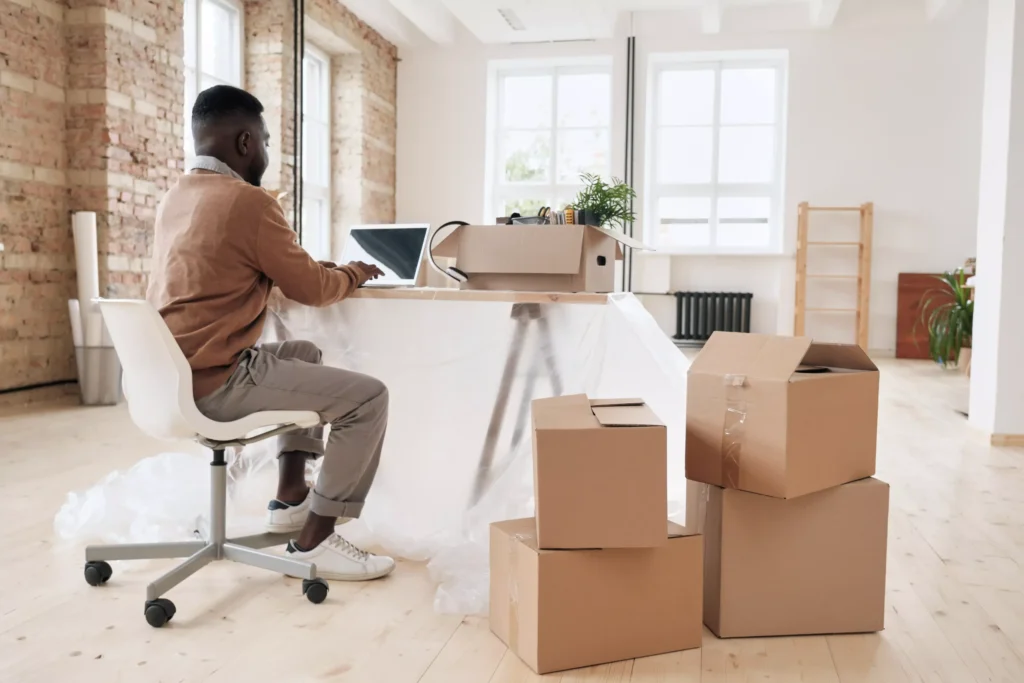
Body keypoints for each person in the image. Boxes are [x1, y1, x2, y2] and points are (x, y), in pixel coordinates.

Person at [147, 84, 395, 581]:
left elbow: (233, 266)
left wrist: (306, 268)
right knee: (368, 399)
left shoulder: (175, 196)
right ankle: (315, 542)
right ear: (244, 143)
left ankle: (290, 497)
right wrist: (355, 273)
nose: (265, 151)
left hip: (166, 378)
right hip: (217, 383)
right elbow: (314, 289)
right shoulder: (249, 202)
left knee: (302, 350)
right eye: (263, 140)